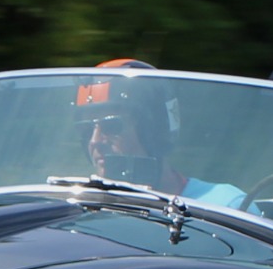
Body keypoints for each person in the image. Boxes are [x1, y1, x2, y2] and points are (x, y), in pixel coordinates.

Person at [75, 59, 249, 210]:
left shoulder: (225, 206)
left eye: (111, 126)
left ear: (154, 130)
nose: (95, 141)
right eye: (86, 130)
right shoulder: (81, 211)